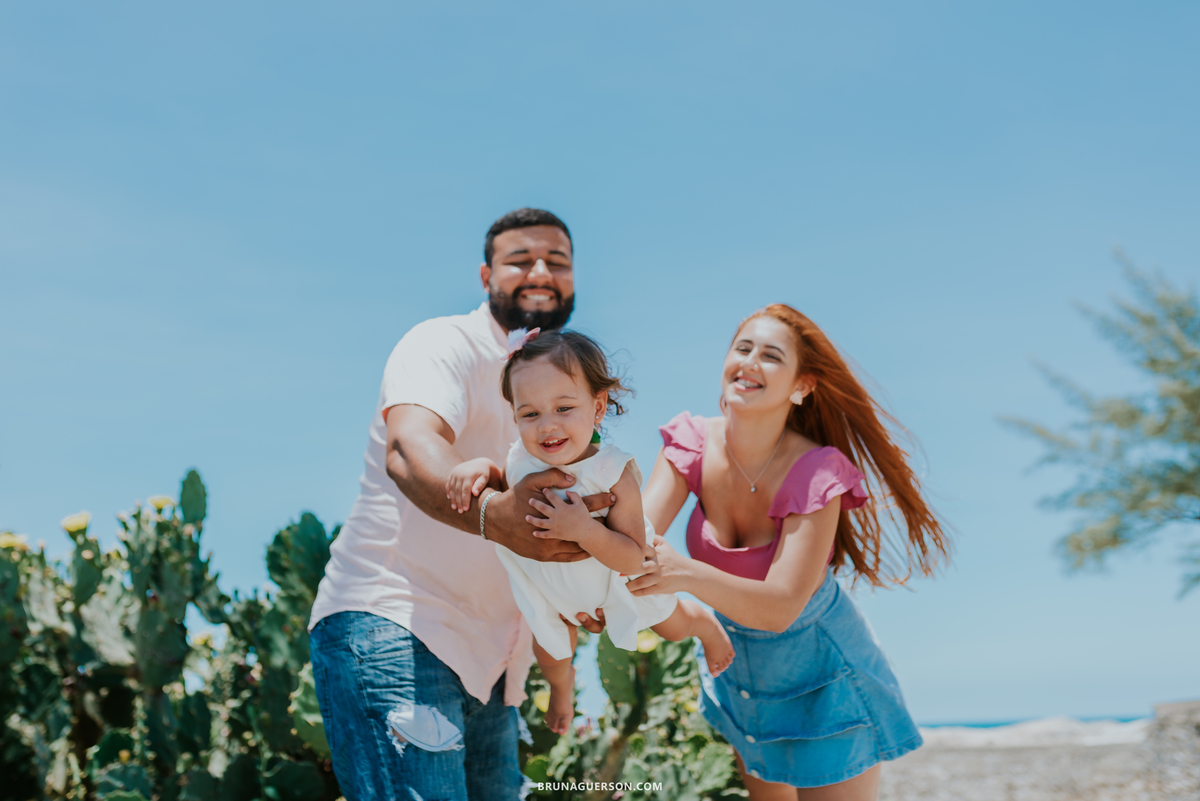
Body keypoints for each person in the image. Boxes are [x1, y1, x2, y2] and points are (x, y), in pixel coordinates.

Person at [307, 209, 616, 800]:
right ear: (486, 276)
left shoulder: (563, 392)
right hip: (397, 623)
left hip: (496, 664)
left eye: (556, 261)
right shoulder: (442, 343)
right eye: (520, 259)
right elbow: (411, 448)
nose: (540, 271)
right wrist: (493, 516)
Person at [625, 303, 950, 800]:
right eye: (743, 348)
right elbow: (633, 542)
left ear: (801, 386)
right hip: (743, 673)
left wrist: (683, 574)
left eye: (771, 355)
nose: (750, 362)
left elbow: (779, 607)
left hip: (827, 678)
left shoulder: (818, 471)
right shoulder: (689, 444)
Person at [446, 329, 735, 735]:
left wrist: (585, 530)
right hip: (551, 588)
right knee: (548, 650)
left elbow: (634, 555)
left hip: (619, 579)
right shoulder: (519, 459)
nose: (547, 426)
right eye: (530, 414)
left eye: (564, 408)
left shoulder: (612, 474)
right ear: (515, 417)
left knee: (669, 624)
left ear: (597, 407)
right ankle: (562, 689)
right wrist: (480, 469)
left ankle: (703, 624)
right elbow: (504, 479)